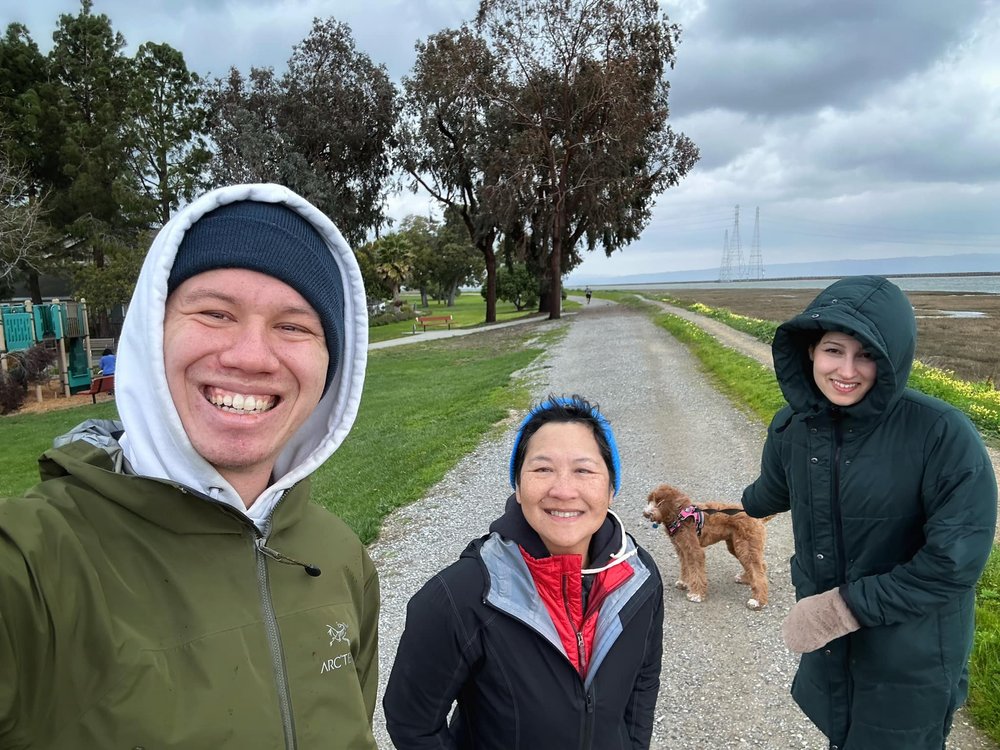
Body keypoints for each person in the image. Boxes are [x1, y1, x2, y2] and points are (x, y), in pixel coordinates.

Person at [0, 184, 379, 748]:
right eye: (215, 313)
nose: (250, 355)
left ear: (332, 365)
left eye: (295, 325)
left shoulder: (341, 557)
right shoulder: (29, 563)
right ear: (153, 332)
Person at [741, 275, 997, 750]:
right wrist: (728, 507)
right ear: (811, 351)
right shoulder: (794, 425)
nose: (847, 370)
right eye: (834, 350)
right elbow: (773, 491)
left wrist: (842, 608)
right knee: (842, 732)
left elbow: (952, 565)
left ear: (892, 359)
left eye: (868, 355)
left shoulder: (942, 434)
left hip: (910, 652)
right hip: (833, 647)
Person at [383, 394, 664, 749]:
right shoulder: (460, 596)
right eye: (542, 469)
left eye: (584, 470)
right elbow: (412, 723)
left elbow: (642, 683)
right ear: (518, 486)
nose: (563, 490)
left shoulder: (638, 578)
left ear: (611, 488)